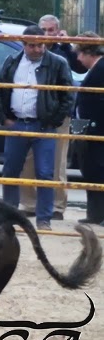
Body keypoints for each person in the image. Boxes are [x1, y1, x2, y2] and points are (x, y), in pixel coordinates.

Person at [0, 25, 74, 231]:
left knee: (45, 173)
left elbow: (68, 95)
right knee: (10, 170)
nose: (37, 49)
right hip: (18, 123)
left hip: (43, 125)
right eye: (32, 46)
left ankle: (44, 219)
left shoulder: (57, 63)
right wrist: (5, 118)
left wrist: (54, 121)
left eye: (40, 45)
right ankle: (9, 216)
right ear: (23, 44)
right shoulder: (12, 61)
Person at [74, 31, 104, 225]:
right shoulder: (97, 69)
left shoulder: (101, 69)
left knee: (98, 170)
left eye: (79, 53)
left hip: (96, 129)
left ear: (87, 53)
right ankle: (95, 214)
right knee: (91, 171)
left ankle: (99, 214)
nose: (78, 58)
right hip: (89, 127)